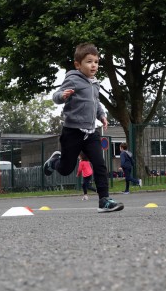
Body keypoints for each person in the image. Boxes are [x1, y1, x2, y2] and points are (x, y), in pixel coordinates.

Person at [42, 43, 123, 213]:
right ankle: (54, 162)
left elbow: (96, 102)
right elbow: (56, 96)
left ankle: (104, 200)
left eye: (96, 62)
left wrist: (102, 115)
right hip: (72, 132)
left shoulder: (95, 84)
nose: (94, 65)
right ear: (78, 64)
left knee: (100, 164)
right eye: (89, 62)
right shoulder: (72, 78)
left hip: (90, 132)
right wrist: (62, 96)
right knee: (65, 169)